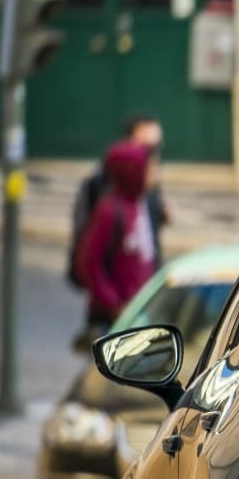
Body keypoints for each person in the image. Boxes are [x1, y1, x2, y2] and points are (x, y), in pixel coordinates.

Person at [74, 140, 161, 344]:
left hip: (139, 311)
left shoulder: (141, 202)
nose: (155, 173)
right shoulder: (110, 211)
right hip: (118, 318)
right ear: (133, 172)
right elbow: (88, 263)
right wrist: (115, 305)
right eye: (149, 168)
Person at [69, 114, 167, 289]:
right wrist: (113, 303)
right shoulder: (108, 194)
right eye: (148, 148)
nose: (153, 157)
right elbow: (90, 260)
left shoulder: (147, 187)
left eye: (156, 148)